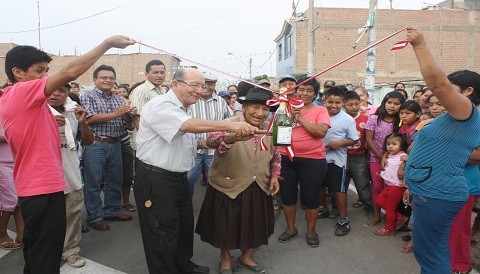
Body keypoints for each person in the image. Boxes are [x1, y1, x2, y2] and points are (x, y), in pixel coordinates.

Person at [0, 35, 134, 274]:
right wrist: (107, 44)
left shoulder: (28, 100)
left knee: (38, 248)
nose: (45, 78)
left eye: (46, 71)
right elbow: (70, 72)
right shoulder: (21, 92)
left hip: (41, 184)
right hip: (41, 186)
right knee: (46, 254)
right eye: (39, 71)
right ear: (17, 72)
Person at [134, 67, 258, 274]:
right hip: (156, 178)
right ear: (175, 84)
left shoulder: (184, 109)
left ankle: (183, 265)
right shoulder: (160, 106)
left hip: (178, 178)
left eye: (202, 86)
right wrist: (231, 126)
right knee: (162, 232)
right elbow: (187, 126)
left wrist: (226, 139)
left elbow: (193, 142)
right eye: (194, 85)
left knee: (182, 227)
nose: (199, 90)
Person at [404, 27, 480, 273]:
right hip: (430, 190)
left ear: (468, 92)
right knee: (430, 251)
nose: (441, 92)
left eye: (452, 85)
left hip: (439, 193)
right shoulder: (454, 117)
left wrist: (419, 45)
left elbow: (438, 84)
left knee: (431, 253)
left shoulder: (466, 111)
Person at [196, 87, 281, 274]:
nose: (260, 113)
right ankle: (225, 257)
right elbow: (213, 143)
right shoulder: (229, 123)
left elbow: (276, 154)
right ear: (245, 107)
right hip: (228, 184)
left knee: (256, 225)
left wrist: (275, 175)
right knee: (225, 226)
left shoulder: (271, 127)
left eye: (265, 109)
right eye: (255, 107)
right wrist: (234, 136)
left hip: (259, 183)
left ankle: (246, 256)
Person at [80, 65, 135, 231]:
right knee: (93, 182)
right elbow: (89, 118)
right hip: (95, 144)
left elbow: (128, 124)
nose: (108, 80)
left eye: (111, 77)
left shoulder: (119, 99)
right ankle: (94, 216)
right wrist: (119, 113)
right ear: (95, 79)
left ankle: (111, 211)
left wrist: (127, 114)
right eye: (103, 77)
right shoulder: (87, 95)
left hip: (116, 143)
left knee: (115, 180)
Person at [276, 77, 330, 247]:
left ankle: (311, 231)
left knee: (310, 198)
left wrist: (300, 118)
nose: (304, 93)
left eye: (309, 90)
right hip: (286, 159)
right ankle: (291, 229)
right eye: (301, 89)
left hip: (313, 161)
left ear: (315, 94)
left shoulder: (320, 110)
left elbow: (320, 133)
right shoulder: (284, 106)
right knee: (287, 196)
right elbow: (278, 134)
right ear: (296, 90)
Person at [47, 83, 94, 268]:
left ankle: (70, 251)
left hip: (71, 171)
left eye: (62, 90)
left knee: (73, 214)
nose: (56, 94)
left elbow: (88, 141)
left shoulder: (74, 112)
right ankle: (47, 251)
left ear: (68, 93)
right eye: (52, 89)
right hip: (46, 175)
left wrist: (84, 123)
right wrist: (47, 124)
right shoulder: (36, 111)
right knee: (47, 217)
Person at [319, 87, 359, 236]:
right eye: (330, 102)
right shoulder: (319, 114)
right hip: (318, 158)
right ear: (324, 100)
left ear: (343, 102)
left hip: (338, 160)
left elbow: (354, 139)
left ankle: (343, 220)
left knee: (339, 189)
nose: (333, 105)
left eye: (338, 102)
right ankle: (323, 209)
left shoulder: (347, 119)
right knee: (319, 186)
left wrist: (340, 143)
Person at [363, 91, 405, 228]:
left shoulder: (401, 121)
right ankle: (376, 216)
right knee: (377, 187)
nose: (392, 106)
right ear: (384, 102)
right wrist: (382, 157)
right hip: (376, 158)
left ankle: (393, 215)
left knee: (393, 188)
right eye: (389, 102)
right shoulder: (374, 118)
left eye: (396, 104)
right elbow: (369, 139)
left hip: (397, 161)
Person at [187, 73, 231, 197]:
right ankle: (185, 209)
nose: (207, 87)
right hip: (194, 149)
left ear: (214, 85)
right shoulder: (191, 100)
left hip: (214, 151)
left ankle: (213, 211)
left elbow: (230, 120)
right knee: (188, 179)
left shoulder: (221, 102)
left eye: (210, 84)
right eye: (204, 84)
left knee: (215, 182)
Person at [343, 91, 373, 213]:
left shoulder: (366, 119)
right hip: (342, 156)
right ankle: (338, 208)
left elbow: (369, 140)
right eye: (350, 105)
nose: (354, 107)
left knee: (363, 184)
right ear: (344, 104)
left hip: (359, 157)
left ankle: (369, 208)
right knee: (340, 185)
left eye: (356, 104)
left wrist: (368, 157)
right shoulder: (340, 118)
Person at [374, 133, 408, 236]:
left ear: (401, 145)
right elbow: (390, 169)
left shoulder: (403, 155)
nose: (390, 146)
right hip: (388, 186)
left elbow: (411, 160)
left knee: (390, 208)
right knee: (379, 201)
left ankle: (389, 229)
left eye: (394, 144)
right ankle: (400, 216)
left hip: (397, 187)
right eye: (388, 144)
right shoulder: (389, 155)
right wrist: (382, 173)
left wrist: (404, 164)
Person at [0, 123, 24, 251]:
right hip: (2, 164)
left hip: (19, 162)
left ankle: (21, 234)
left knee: (20, 199)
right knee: (11, 199)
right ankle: (2, 233)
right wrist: (12, 137)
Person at [129, 59, 167, 130]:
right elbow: (137, 119)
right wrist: (145, 139)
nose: (159, 76)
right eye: (155, 73)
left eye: (162, 72)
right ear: (146, 74)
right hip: (147, 137)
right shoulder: (141, 90)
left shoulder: (163, 90)